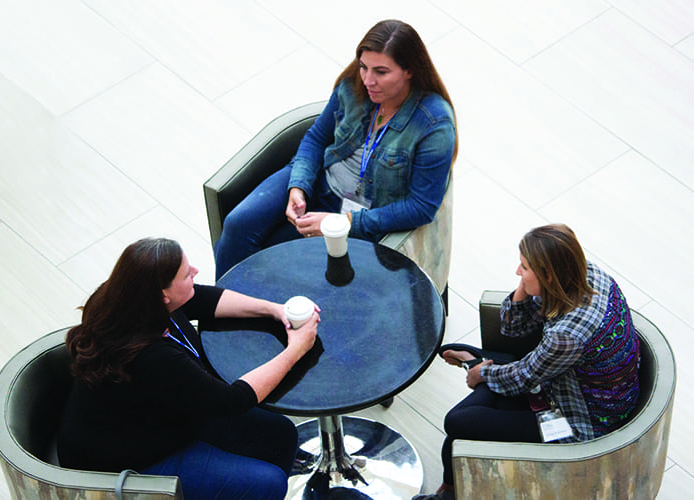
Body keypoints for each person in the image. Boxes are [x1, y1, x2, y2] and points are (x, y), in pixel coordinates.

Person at [57, 238, 320, 500]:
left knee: (282, 434)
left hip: (164, 413)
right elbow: (230, 401)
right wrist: (295, 350)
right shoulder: (152, 357)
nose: (194, 271)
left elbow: (201, 299)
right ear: (163, 294)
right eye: (185, 273)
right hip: (126, 459)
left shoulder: (128, 298)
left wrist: (274, 310)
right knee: (269, 483)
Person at [213, 19, 457, 279]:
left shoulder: (434, 124)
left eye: (381, 72)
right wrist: (299, 186)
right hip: (321, 183)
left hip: (362, 216)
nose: (368, 80)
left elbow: (421, 207)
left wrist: (343, 223)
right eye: (364, 67)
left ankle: (247, 310)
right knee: (237, 226)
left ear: (409, 70)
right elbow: (316, 138)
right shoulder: (353, 85)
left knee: (269, 257)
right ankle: (224, 314)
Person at [417, 224, 641, 500]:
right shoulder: (588, 274)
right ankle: (449, 494)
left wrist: (482, 375)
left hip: (579, 422)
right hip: (558, 383)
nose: (517, 271)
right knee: (461, 434)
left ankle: (483, 364)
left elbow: (522, 379)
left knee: (457, 422)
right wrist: (525, 284)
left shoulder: (567, 336)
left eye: (524, 267)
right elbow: (514, 329)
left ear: (548, 274)